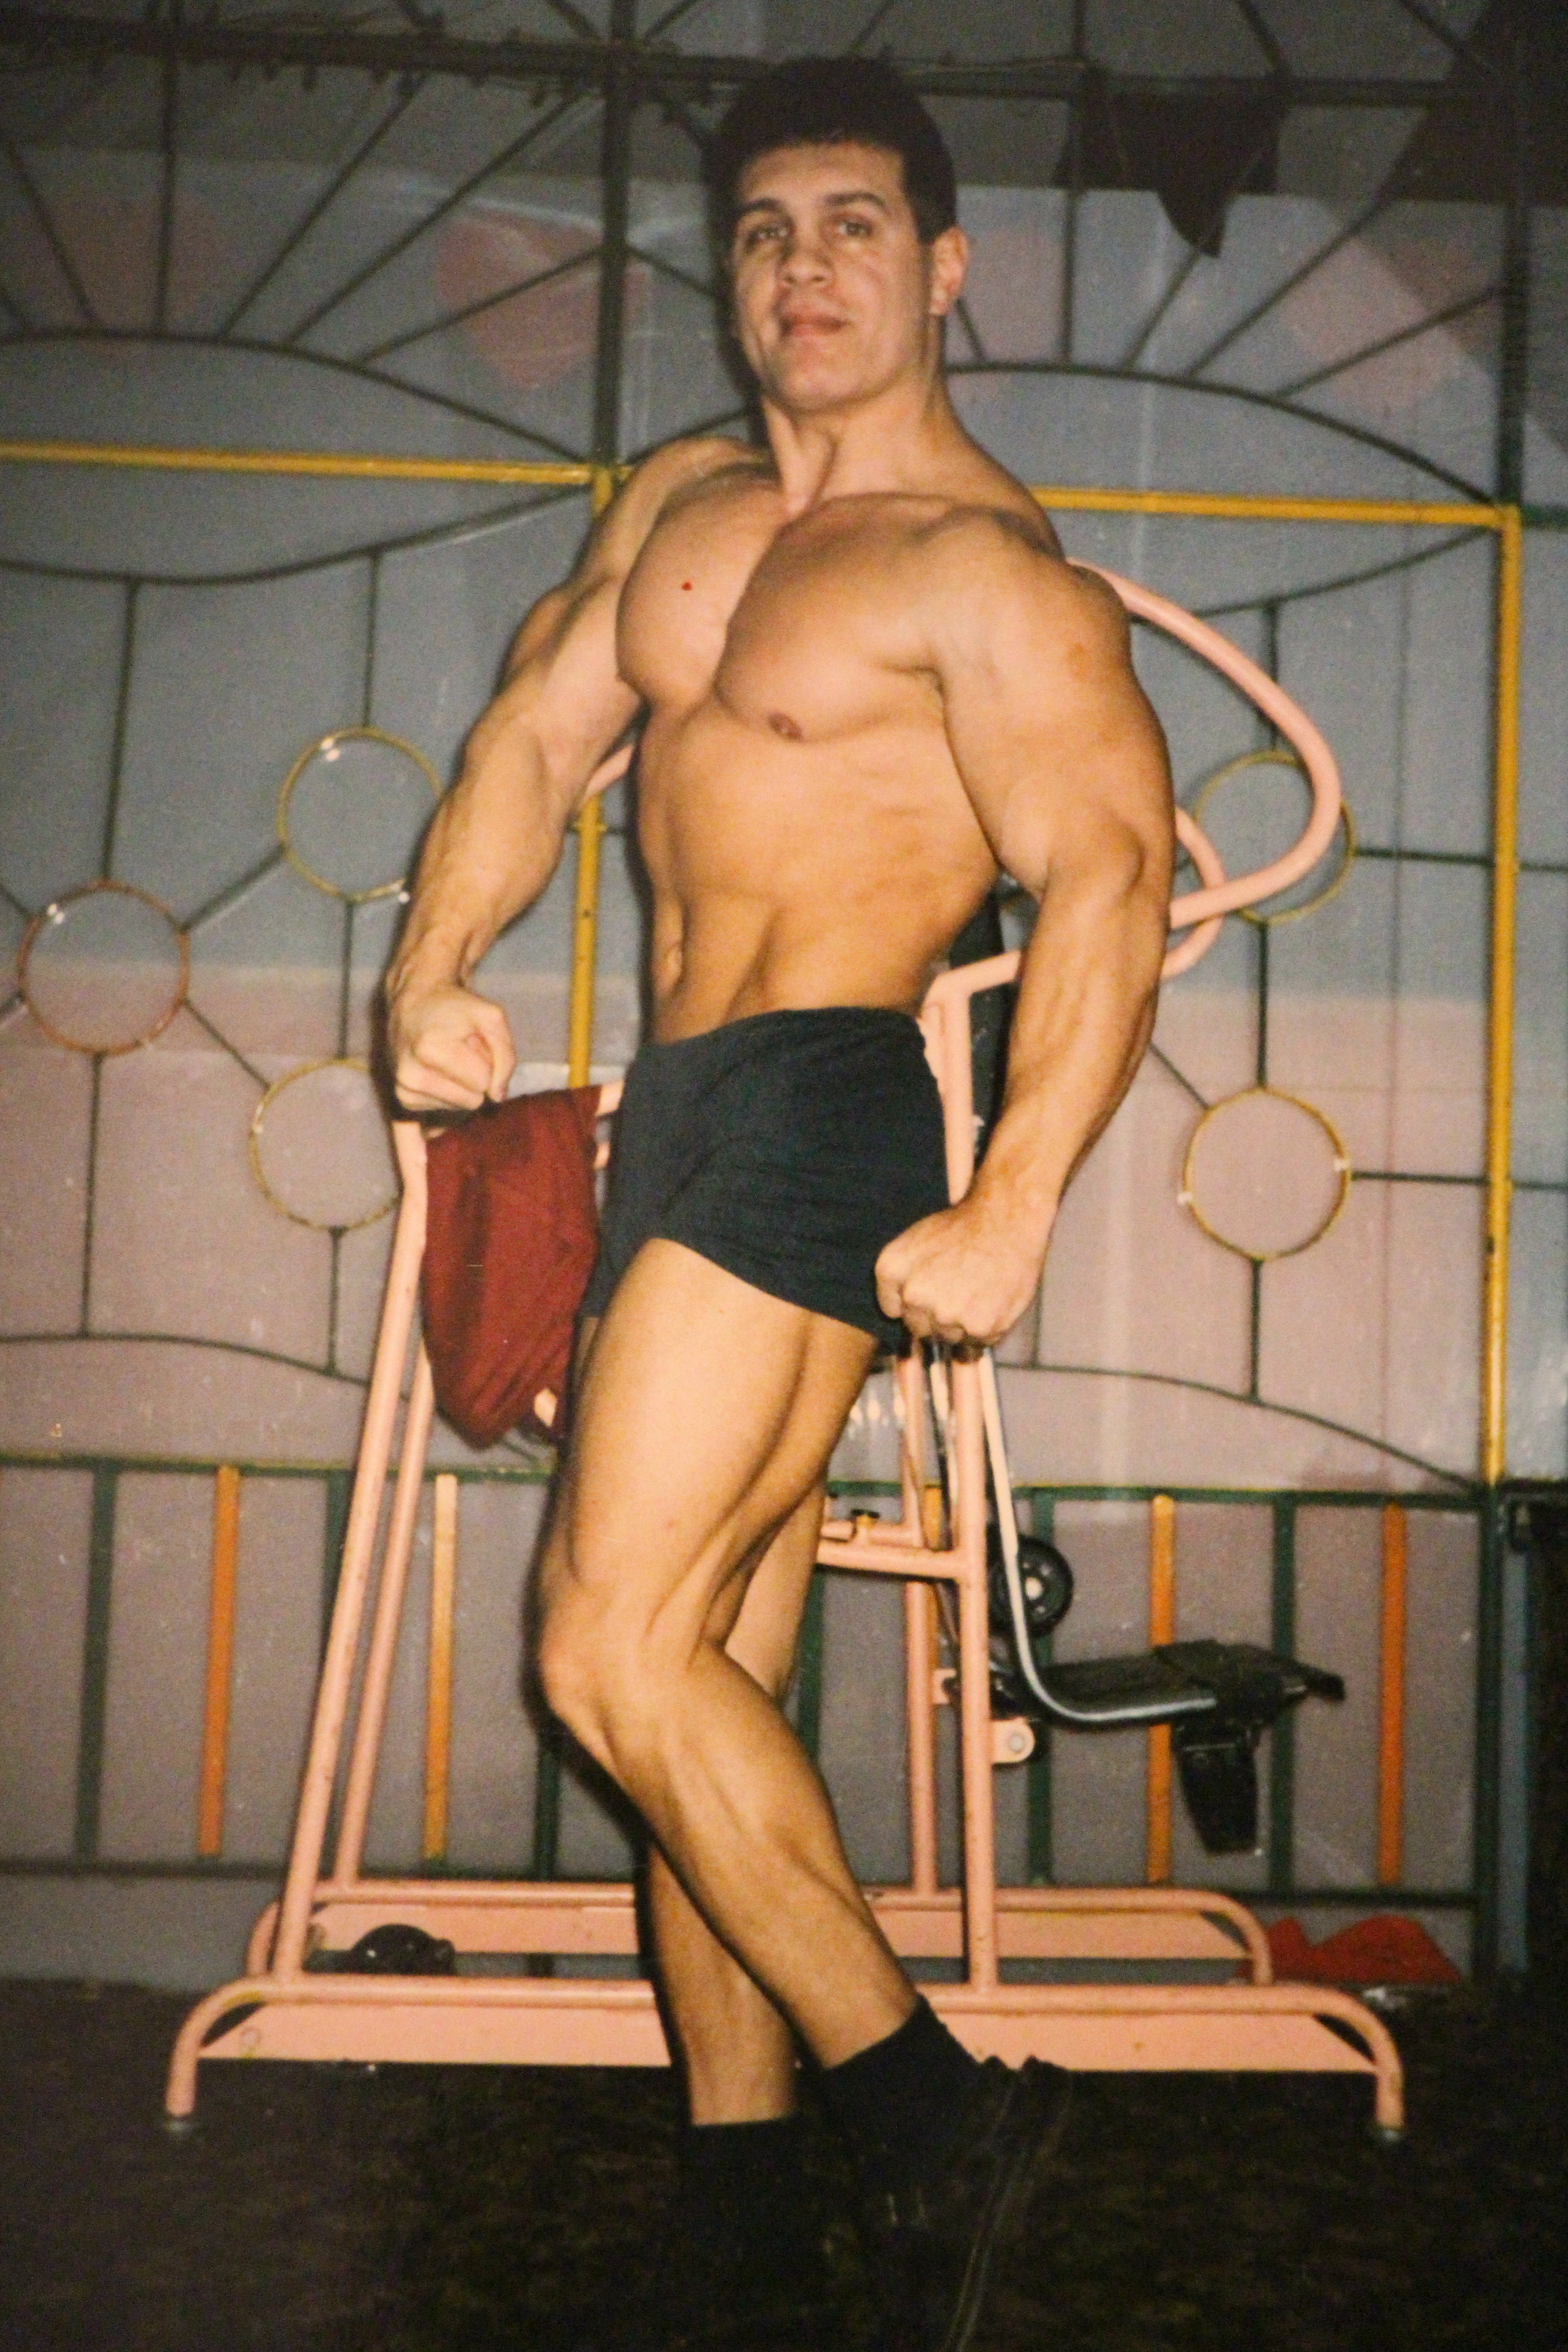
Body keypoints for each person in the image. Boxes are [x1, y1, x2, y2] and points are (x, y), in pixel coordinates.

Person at [386, 55, 1173, 2352]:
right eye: (761, 232)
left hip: (831, 1099)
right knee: (701, 1682)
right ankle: (744, 2216)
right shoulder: (679, 508)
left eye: (851, 227)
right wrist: (432, 965)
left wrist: (1017, 1201)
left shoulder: (982, 567)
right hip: (675, 1111)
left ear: (946, 268)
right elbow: (534, 739)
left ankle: (936, 2113)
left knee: (599, 1643)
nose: (801, 269)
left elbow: (1114, 875)